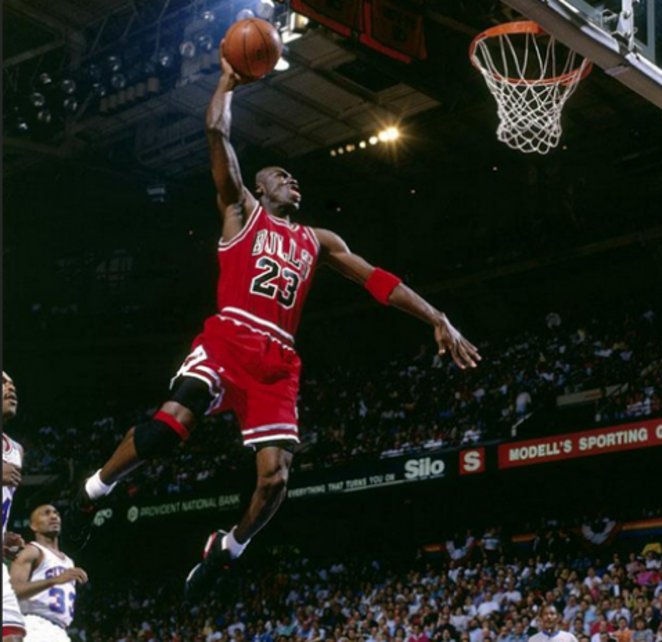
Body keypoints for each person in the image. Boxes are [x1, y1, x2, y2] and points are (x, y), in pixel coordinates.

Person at [64, 47, 482, 601]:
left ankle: (228, 549)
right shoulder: (241, 211)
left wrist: (437, 315)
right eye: (280, 175)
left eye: (293, 176)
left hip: (277, 359)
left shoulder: (319, 240)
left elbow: (378, 280)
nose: (291, 179)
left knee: (276, 477)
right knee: (171, 425)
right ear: (259, 187)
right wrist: (227, 82)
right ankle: (92, 491)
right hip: (229, 335)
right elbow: (217, 134)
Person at [9, 505, 88, 642]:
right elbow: (13, 591)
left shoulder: (69, 562)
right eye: (46, 513)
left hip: (60, 630)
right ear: (33, 526)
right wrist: (54, 580)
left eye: (56, 513)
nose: (53, 516)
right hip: (35, 624)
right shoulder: (31, 551)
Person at [2, 371, 27, 642]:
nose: (10, 388)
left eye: (12, 384)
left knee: (13, 635)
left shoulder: (16, 451)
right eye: (2, 383)